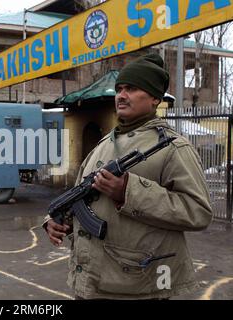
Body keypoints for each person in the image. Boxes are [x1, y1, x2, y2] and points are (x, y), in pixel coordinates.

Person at [44, 53, 213, 300]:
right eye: (120, 89)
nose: (121, 95)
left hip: (138, 286)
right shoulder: (104, 145)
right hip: (91, 281)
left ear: (155, 98)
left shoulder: (173, 148)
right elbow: (81, 198)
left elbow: (198, 211)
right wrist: (57, 221)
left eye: (132, 89)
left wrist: (128, 192)